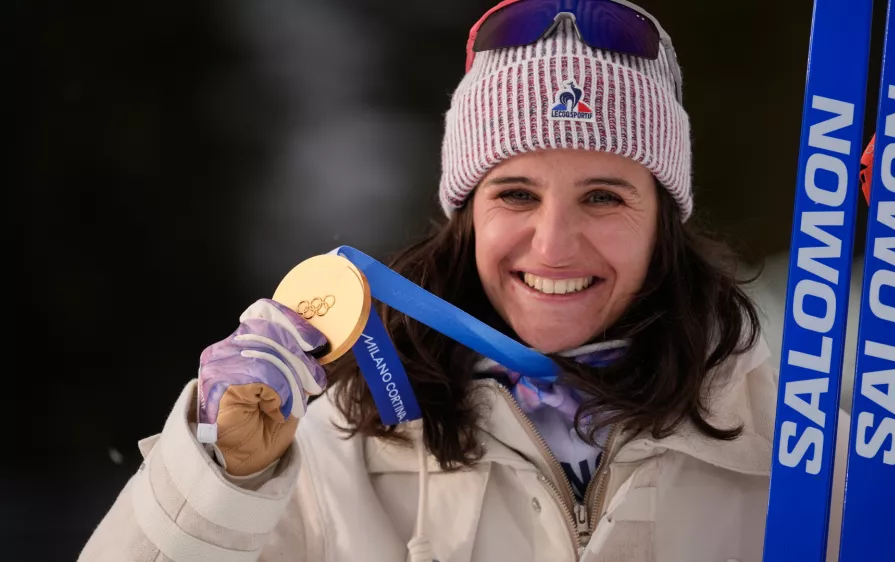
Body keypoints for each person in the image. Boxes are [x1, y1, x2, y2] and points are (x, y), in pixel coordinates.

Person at [80, 1, 847, 561]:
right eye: (515, 194)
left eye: (604, 197)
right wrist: (217, 478)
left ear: (663, 220)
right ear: (467, 214)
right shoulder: (343, 441)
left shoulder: (792, 439)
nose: (554, 245)